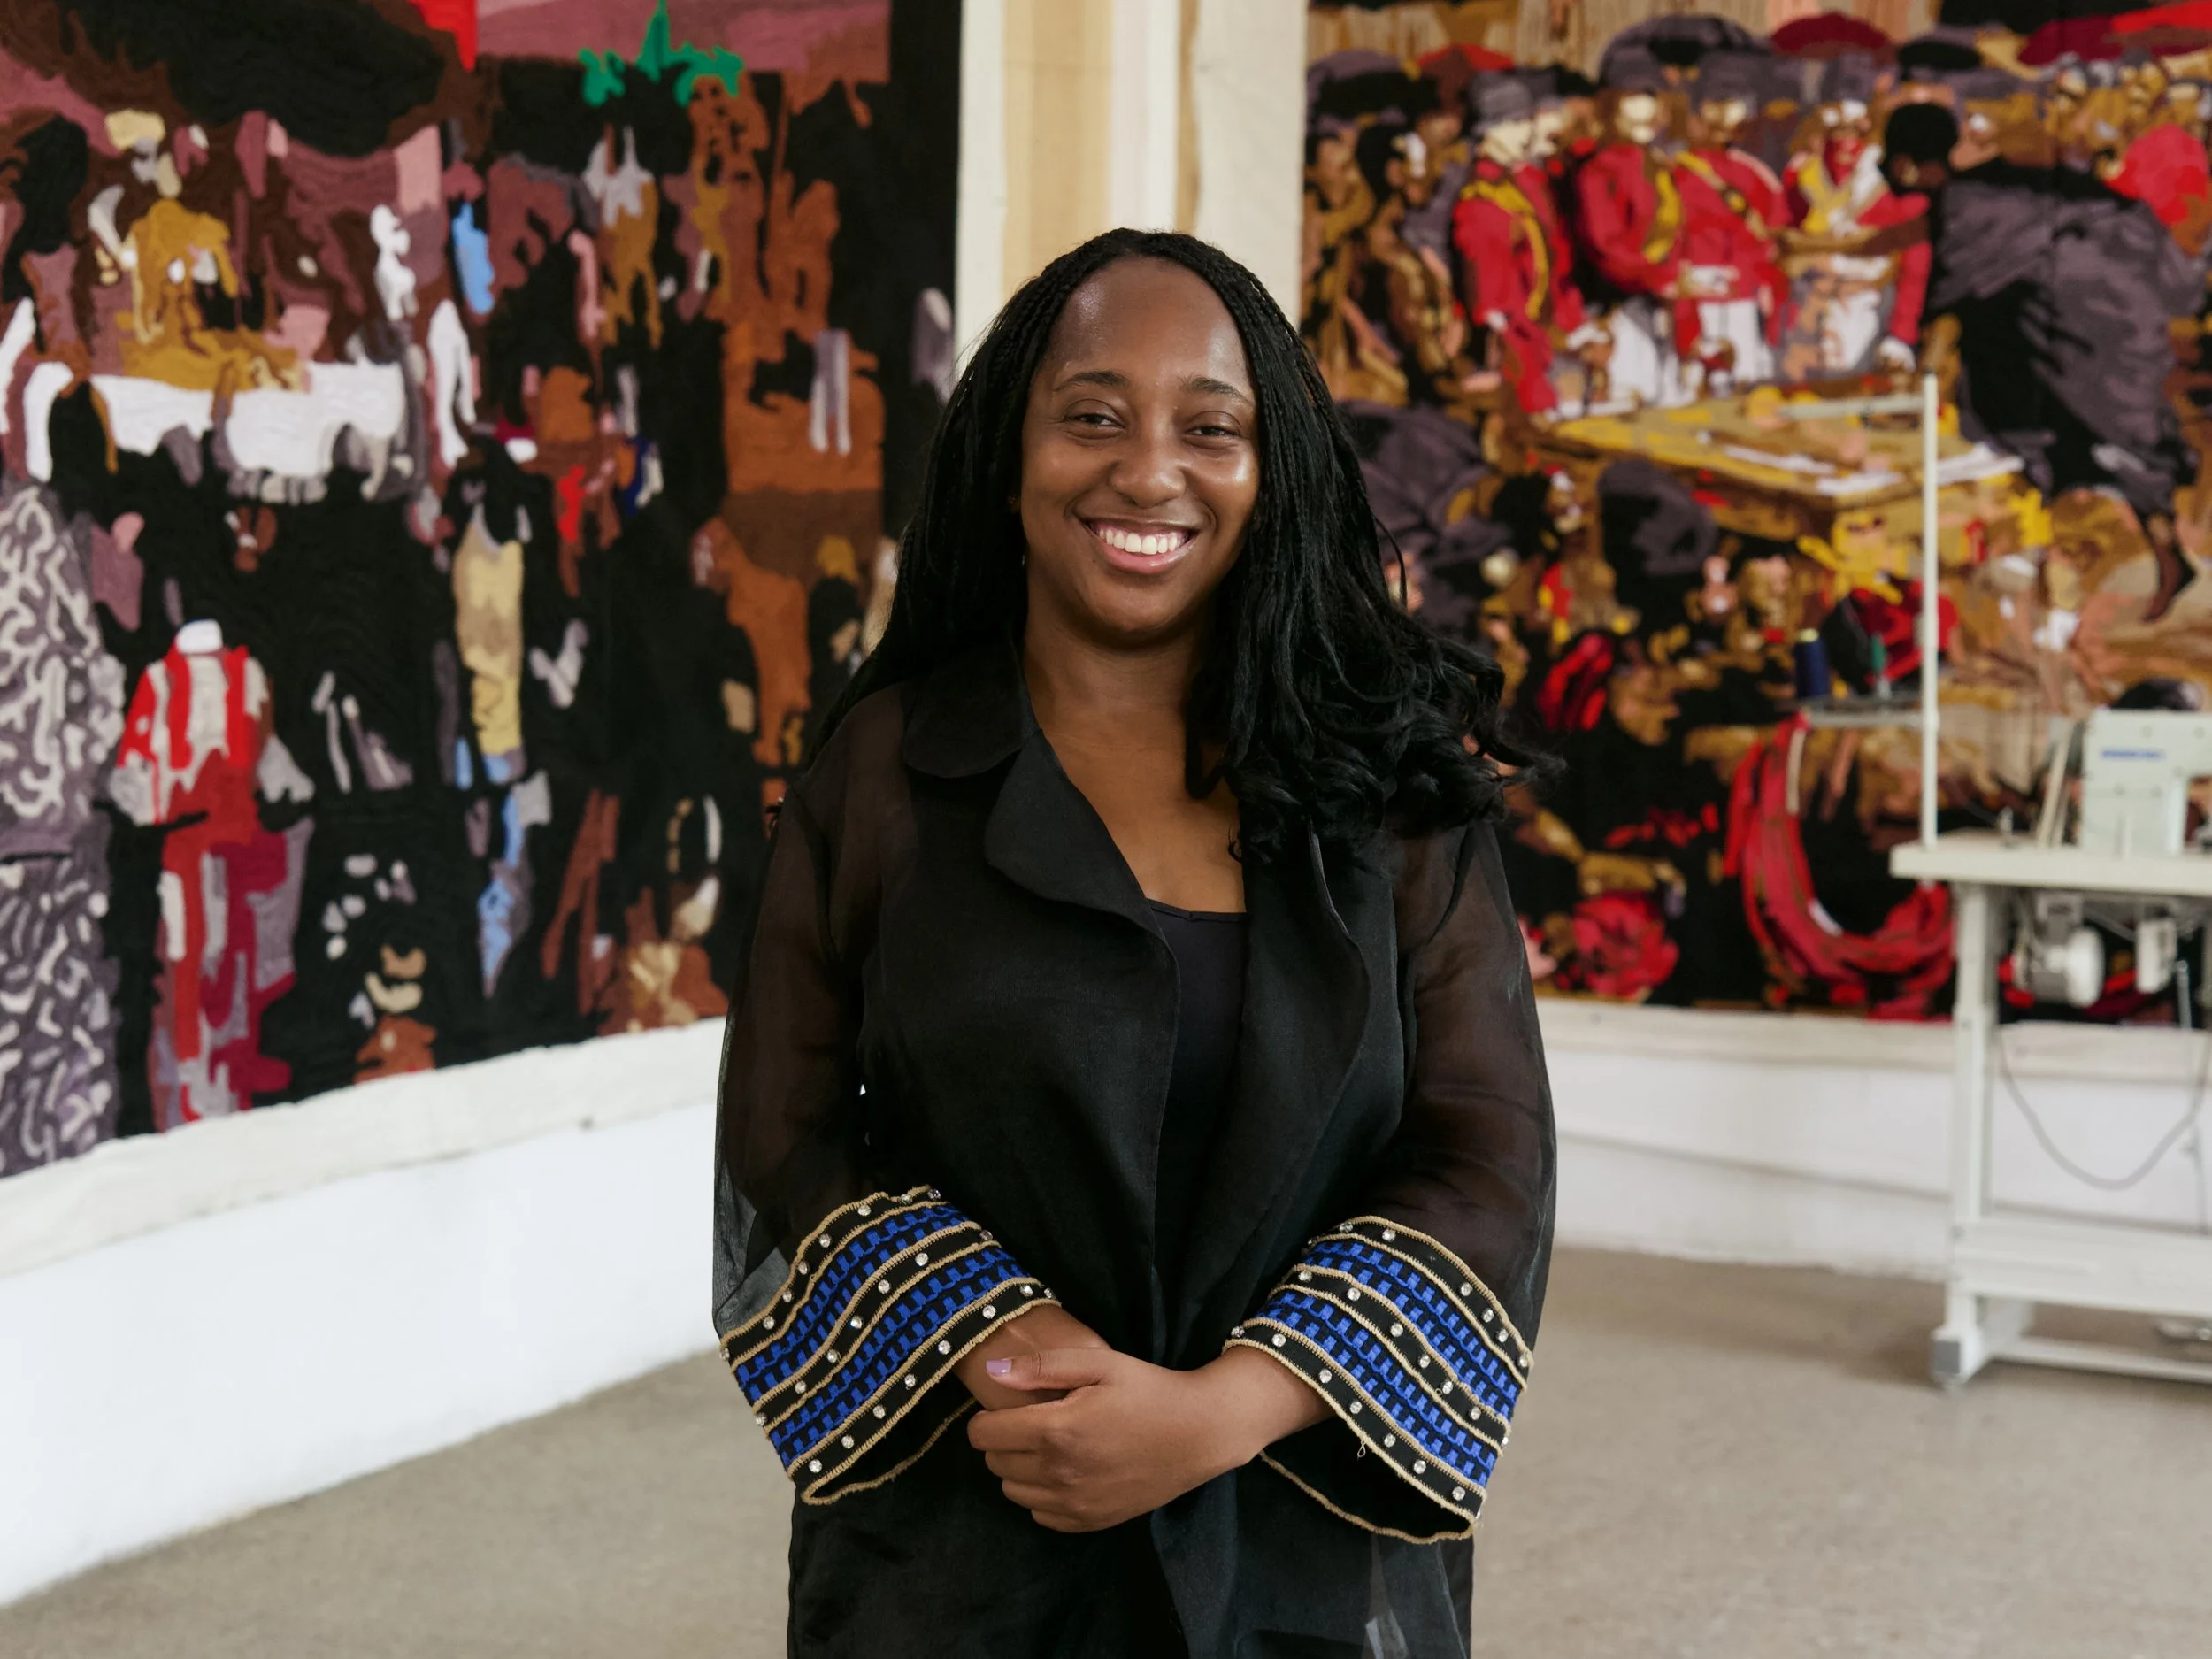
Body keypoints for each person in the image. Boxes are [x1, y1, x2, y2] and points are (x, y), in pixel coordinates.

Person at [711, 228, 1556, 1655]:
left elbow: (1486, 1150)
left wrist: (1223, 1409)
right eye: (1093, 416)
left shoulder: (1393, 788)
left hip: (1301, 1539)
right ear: (1009, 453)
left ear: (1273, 469)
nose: (1150, 472)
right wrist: (1005, 1345)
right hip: (970, 1526)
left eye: (1210, 428)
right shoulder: (885, 771)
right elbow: (782, 1127)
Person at [1889, 102, 2204, 620]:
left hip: (2094, 329)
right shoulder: (1991, 188)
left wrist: (1917, 378)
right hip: (2101, 318)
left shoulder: (1969, 204)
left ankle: (2098, 568)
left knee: (2094, 443)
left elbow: (1948, 306)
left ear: (1905, 165)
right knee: (2089, 445)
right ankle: (2123, 562)